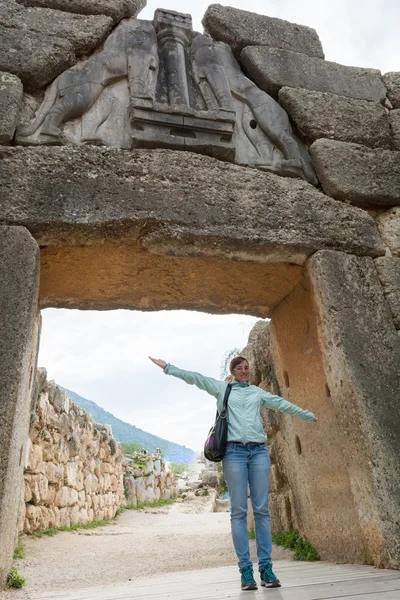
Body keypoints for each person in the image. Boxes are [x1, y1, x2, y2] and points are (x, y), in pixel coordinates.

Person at [149, 355, 317, 591]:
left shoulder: (257, 393)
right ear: (232, 371)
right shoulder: (222, 389)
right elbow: (196, 378)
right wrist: (168, 368)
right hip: (234, 453)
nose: (244, 371)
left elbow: (282, 404)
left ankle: (267, 569)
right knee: (238, 511)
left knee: (261, 510)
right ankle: (246, 572)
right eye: (239, 368)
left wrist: (306, 414)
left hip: (258, 452)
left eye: (247, 368)